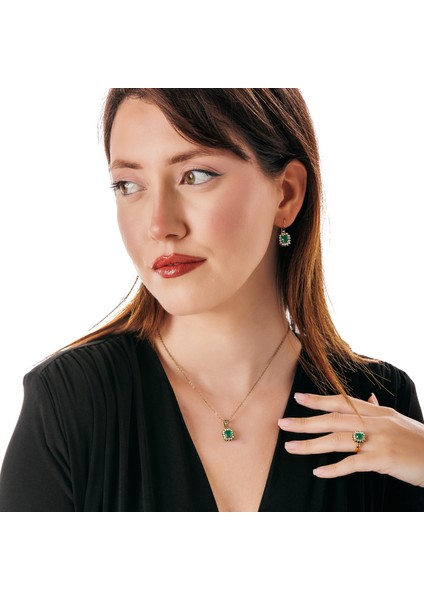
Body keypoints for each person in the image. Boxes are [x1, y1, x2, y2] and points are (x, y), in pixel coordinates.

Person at [0, 88, 423, 512]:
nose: (159, 226)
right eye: (129, 185)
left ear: (287, 194)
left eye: (195, 175)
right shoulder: (69, 403)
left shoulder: (380, 402)